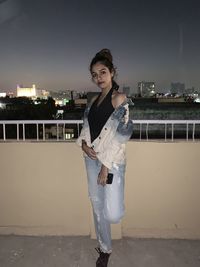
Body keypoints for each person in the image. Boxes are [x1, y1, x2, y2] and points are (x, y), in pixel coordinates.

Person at [76, 48, 133, 267]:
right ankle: (105, 248)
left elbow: (122, 136)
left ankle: (106, 242)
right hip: (91, 159)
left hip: (111, 163)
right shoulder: (93, 102)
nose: (98, 78)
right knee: (97, 205)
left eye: (102, 72)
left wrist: (105, 167)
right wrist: (83, 143)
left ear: (112, 72)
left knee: (113, 212)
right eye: (94, 74)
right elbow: (86, 128)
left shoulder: (119, 99)